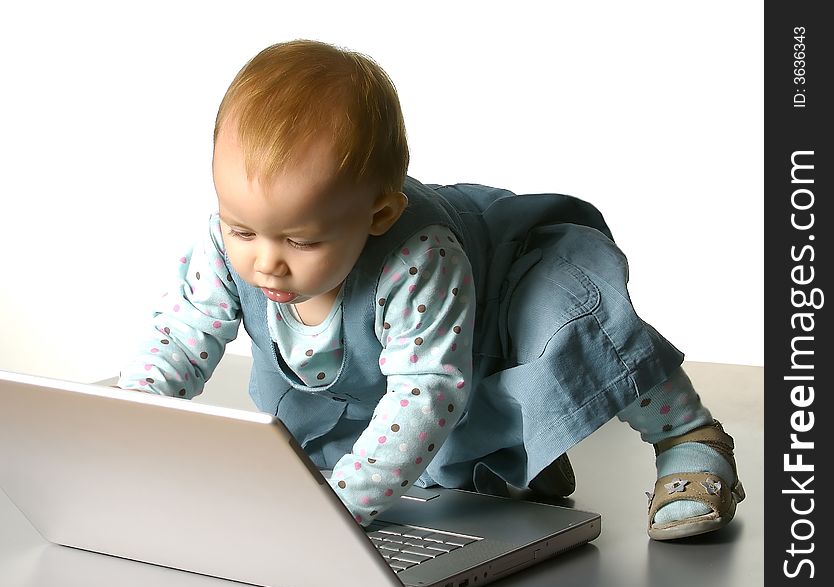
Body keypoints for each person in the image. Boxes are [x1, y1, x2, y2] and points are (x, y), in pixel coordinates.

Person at [117, 39, 744, 541]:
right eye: (242, 229)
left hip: (502, 286)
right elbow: (181, 336)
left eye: (301, 242)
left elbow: (426, 394)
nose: (266, 264)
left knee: (575, 330)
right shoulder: (229, 247)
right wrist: (127, 424)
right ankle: (516, 454)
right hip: (423, 356)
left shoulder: (415, 256)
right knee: (351, 436)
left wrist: (339, 516)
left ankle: (689, 437)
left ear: (380, 216)